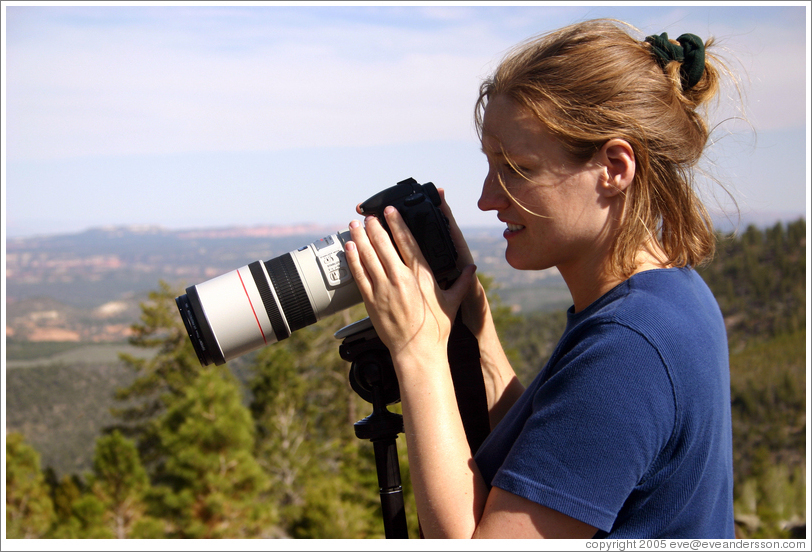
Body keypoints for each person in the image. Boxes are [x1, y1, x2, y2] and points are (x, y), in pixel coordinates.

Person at [343, 18, 735, 538]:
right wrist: (476, 330)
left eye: (517, 168)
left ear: (614, 168)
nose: (487, 198)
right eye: (490, 165)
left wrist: (417, 349)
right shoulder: (667, 295)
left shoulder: (630, 349)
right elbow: (549, 458)